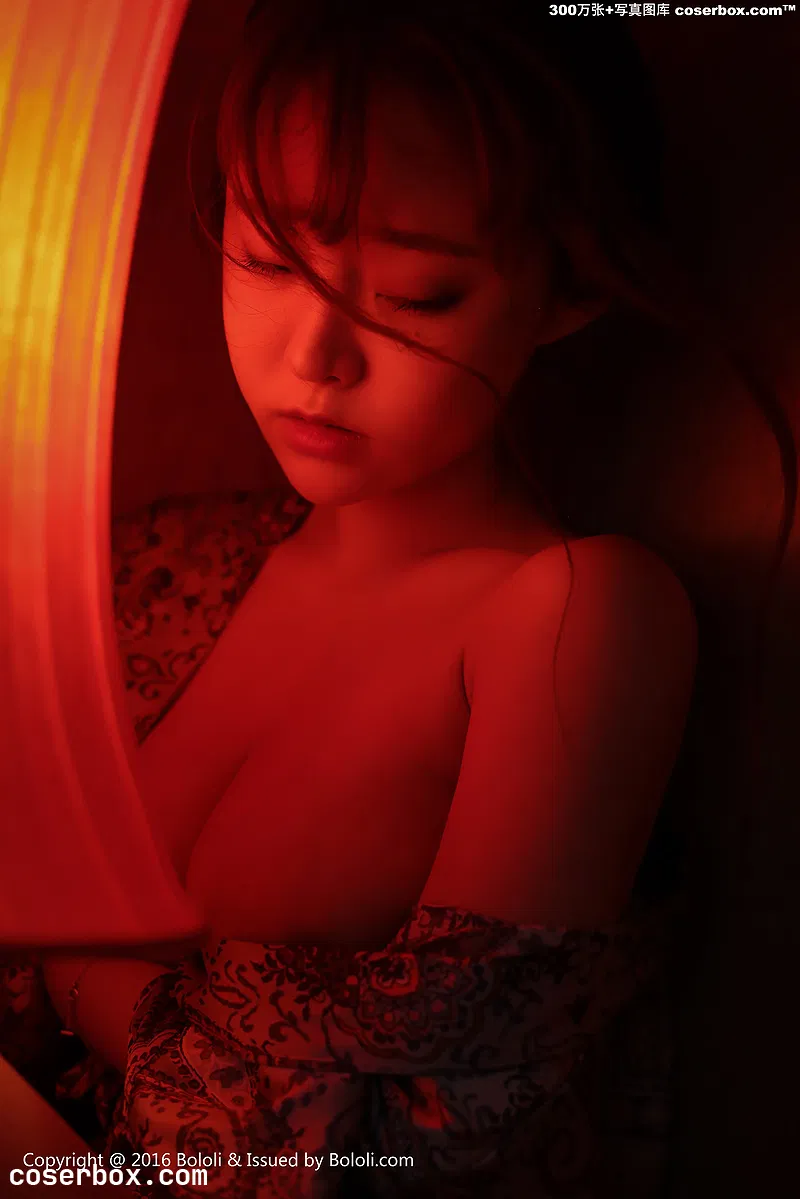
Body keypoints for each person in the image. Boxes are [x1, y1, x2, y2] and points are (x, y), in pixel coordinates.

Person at [16, 3, 792, 1197]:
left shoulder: (568, 613)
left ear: (567, 288)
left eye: (417, 295)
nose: (315, 355)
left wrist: (75, 970)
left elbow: (420, 1139)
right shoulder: (170, 564)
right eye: (268, 258)